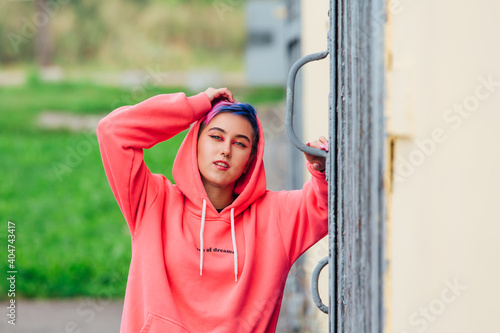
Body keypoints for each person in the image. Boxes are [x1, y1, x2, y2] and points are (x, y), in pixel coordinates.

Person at [96, 87, 329, 333]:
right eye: (216, 137)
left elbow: (324, 207)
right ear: (195, 142)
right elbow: (113, 131)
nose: (226, 150)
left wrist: (321, 168)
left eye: (240, 143)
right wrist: (195, 106)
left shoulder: (275, 217)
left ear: (250, 159)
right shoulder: (153, 201)